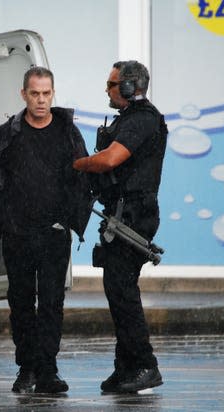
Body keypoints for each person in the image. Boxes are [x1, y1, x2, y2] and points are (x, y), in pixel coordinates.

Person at [0, 67, 93, 394]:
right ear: (23, 95)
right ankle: (27, 368)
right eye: (35, 94)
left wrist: (68, 220)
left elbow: (82, 180)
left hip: (53, 235)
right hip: (17, 234)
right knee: (21, 303)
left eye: (47, 93)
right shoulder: (7, 134)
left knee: (51, 303)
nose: (41, 100)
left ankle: (48, 370)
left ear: (54, 93)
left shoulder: (67, 132)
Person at [72, 60, 168, 393]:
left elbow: (111, 159)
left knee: (123, 294)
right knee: (118, 292)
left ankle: (144, 365)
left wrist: (78, 165)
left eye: (112, 85)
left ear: (129, 88)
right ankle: (125, 367)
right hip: (123, 216)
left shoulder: (142, 119)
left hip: (132, 219)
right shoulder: (132, 119)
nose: (107, 90)